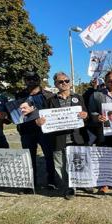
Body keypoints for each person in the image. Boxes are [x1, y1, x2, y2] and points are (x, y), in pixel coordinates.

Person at [36, 72, 88, 200]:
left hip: (76, 137)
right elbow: (41, 118)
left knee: (78, 162)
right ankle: (68, 187)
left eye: (66, 80)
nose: (64, 83)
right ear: (55, 84)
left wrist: (85, 116)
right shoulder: (50, 101)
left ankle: (80, 183)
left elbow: (86, 115)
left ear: (70, 82)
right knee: (60, 165)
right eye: (60, 81)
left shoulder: (78, 98)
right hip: (58, 139)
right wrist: (39, 122)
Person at [15, 71, 55, 192]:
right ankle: (30, 184)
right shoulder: (19, 95)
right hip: (26, 131)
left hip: (45, 131)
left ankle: (51, 181)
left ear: (39, 80)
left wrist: (39, 117)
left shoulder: (49, 95)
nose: (31, 81)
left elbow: (53, 113)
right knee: (28, 158)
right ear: (25, 81)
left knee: (49, 157)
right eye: (28, 79)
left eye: (34, 78)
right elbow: (16, 112)